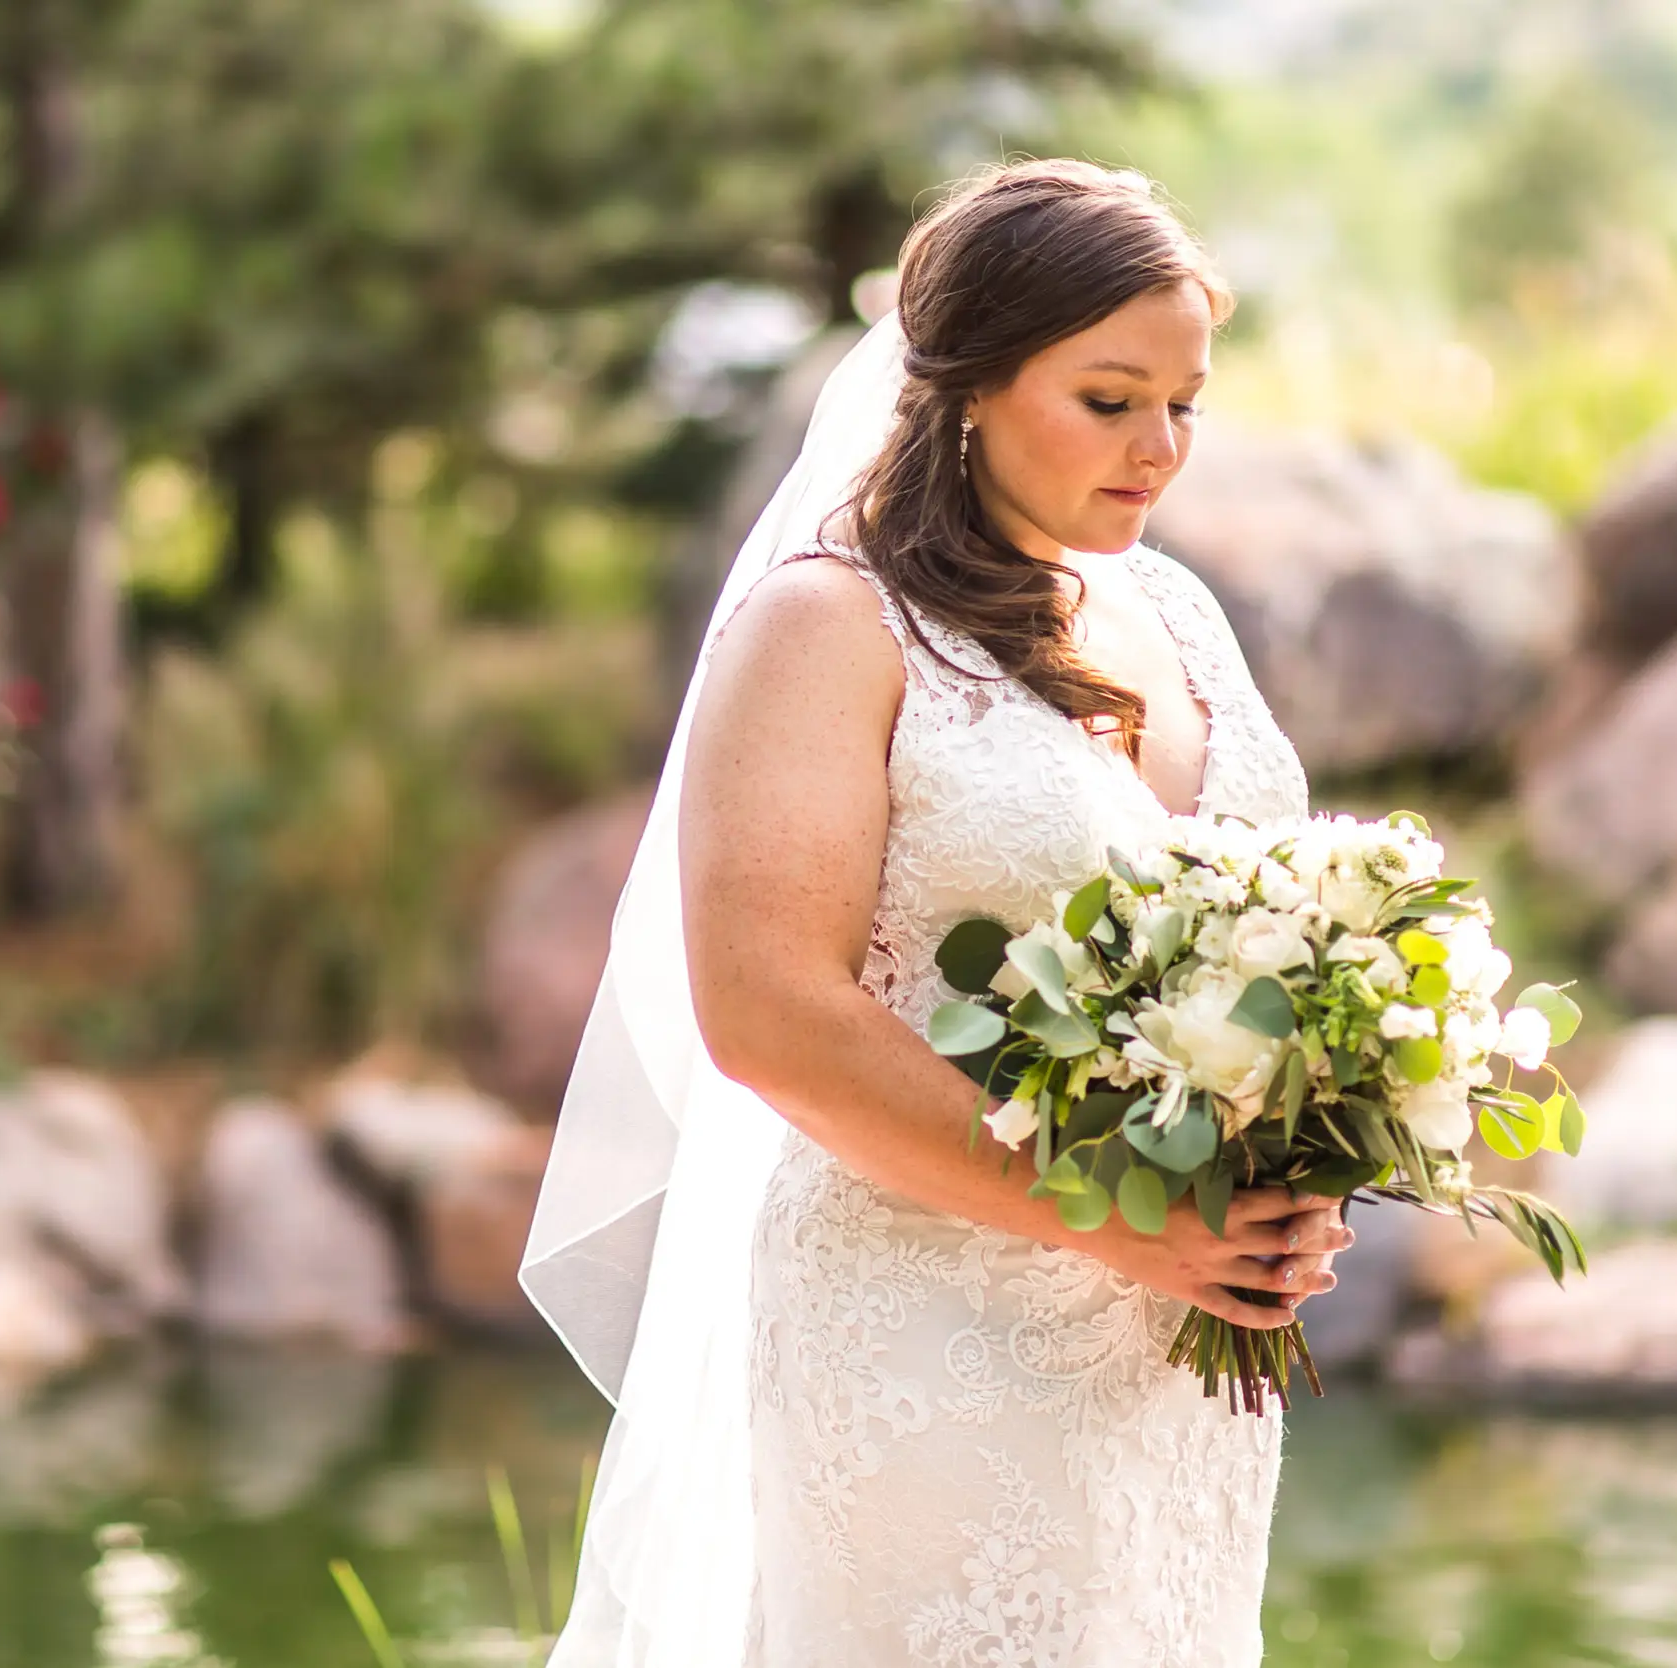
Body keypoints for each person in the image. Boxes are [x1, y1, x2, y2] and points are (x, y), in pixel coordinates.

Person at [522, 159, 1350, 1667]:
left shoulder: (1177, 617)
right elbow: (769, 1010)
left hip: (1166, 1349)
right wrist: (1124, 1218)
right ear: (967, 384)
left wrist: (1297, 1167)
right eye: (1109, 400)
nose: (1160, 447)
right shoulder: (828, 625)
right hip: (921, 1331)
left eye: (1185, 403)